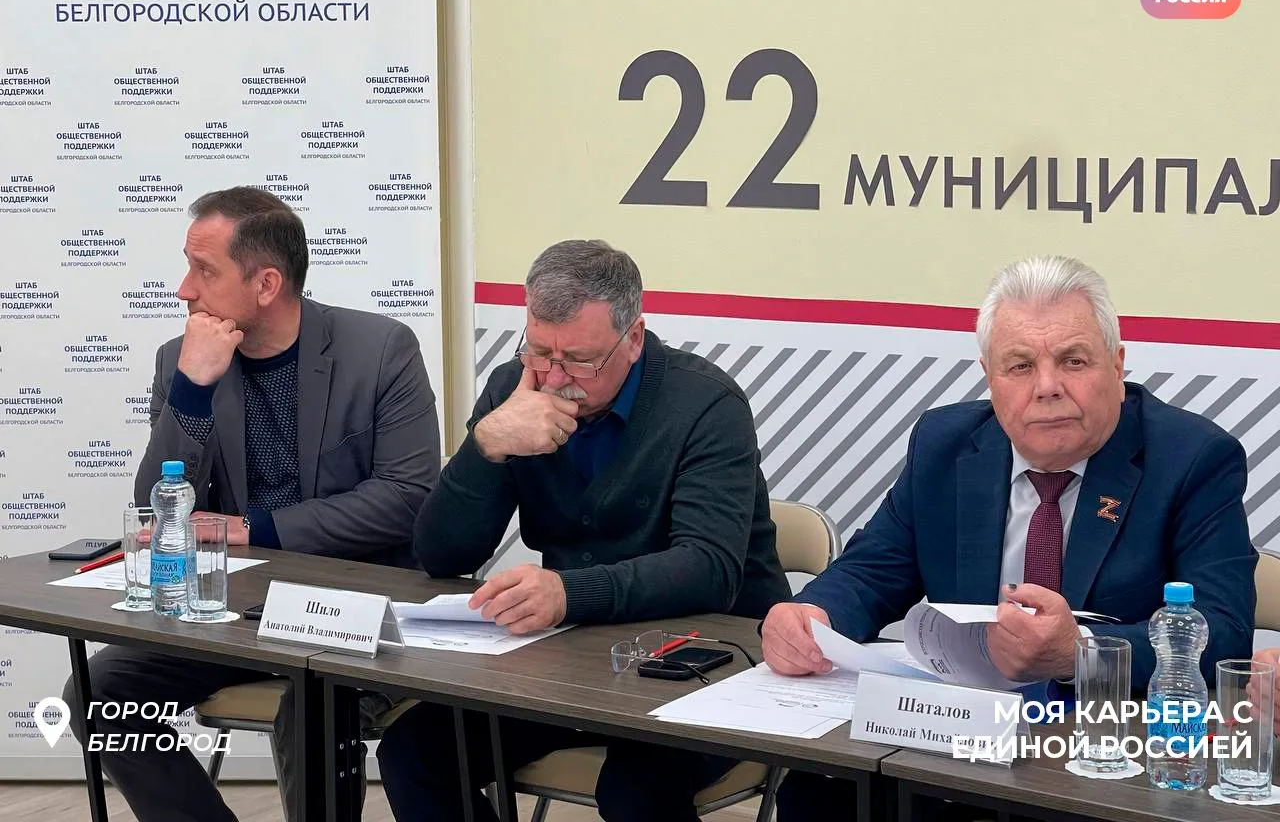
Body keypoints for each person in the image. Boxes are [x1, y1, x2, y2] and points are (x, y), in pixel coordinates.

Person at [763, 255, 1257, 818]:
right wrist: (812, 618)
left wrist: (1079, 653)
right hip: (960, 741)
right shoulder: (946, 443)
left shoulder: (1193, 459)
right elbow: (874, 568)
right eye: (1020, 366)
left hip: (1106, 755)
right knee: (819, 793)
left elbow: (1223, 632)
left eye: (1073, 361)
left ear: (1117, 365)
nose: (1047, 387)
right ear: (989, 376)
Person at [62, 187, 441, 822]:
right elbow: (158, 504)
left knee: (312, 704)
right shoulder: (182, 360)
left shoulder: (380, 349)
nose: (184, 289)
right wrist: (193, 388)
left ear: (266, 283)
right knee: (99, 694)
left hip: (356, 607)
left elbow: (407, 498)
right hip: (236, 611)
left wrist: (254, 527)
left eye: (204, 271)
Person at [376, 239, 789, 822]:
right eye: (539, 350)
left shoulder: (705, 403)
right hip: (576, 659)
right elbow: (442, 555)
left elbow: (709, 569)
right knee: (414, 751)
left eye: (579, 359)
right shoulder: (515, 390)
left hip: (710, 659)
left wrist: (568, 593)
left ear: (634, 337)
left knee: (634, 789)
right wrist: (486, 445)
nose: (554, 376)